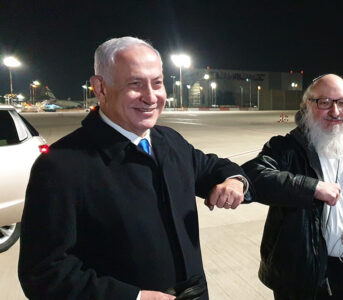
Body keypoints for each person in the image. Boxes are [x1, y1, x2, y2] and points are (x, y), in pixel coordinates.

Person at [18, 37, 249, 300]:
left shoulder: (170, 142)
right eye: (135, 84)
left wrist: (233, 181)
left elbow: (214, 167)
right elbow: (44, 273)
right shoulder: (61, 165)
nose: (151, 97)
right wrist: (133, 297)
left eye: (157, 83)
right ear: (101, 88)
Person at [242, 74, 343, 300]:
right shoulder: (286, 148)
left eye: (342, 103)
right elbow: (252, 177)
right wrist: (311, 188)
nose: (335, 112)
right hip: (304, 275)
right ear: (307, 105)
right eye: (324, 102)